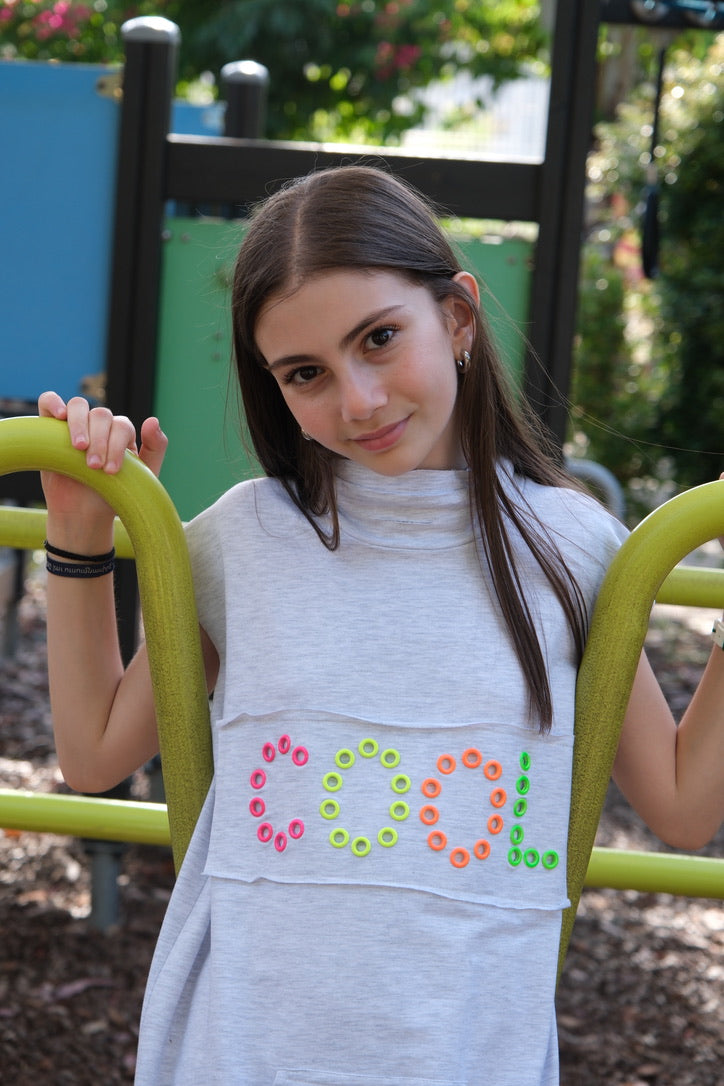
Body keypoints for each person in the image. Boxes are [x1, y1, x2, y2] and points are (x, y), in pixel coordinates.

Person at [38, 165, 723, 1086]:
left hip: (466, 1057)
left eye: (380, 338)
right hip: (243, 1054)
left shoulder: (573, 546)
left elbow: (681, 803)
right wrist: (80, 545)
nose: (357, 401)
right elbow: (90, 756)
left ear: (459, 316)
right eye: (307, 374)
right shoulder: (245, 541)